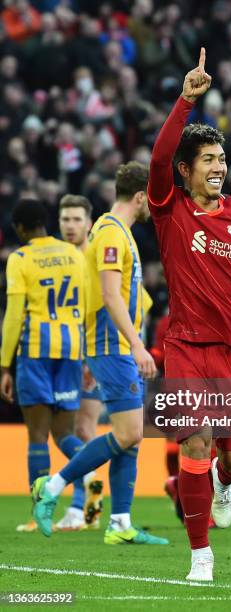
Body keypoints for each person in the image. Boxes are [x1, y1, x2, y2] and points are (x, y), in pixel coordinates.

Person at [148, 48, 231, 580]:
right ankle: (200, 556)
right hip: (186, 344)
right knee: (195, 442)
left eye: (222, 160)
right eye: (208, 160)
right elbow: (159, 159)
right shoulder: (171, 208)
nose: (219, 167)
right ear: (187, 171)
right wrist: (186, 100)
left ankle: (225, 485)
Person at [31, 162, 168, 546]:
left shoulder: (119, 233)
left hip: (117, 344)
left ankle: (120, 522)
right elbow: (109, 295)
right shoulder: (109, 234)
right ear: (141, 196)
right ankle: (52, 486)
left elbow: (128, 296)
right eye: (152, 200)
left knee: (132, 438)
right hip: (111, 344)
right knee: (129, 431)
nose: (153, 207)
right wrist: (138, 344)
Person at [0, 199, 86, 533]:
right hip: (72, 349)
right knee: (65, 433)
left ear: (21, 229)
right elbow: (88, 304)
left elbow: (13, 316)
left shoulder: (20, 258)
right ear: (46, 222)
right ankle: (87, 481)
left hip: (35, 349)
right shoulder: (74, 254)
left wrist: (4, 365)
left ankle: (40, 513)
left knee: (37, 437)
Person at [56, 194, 104, 531]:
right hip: (60, 354)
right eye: (65, 219)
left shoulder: (97, 259)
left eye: (76, 219)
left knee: (83, 429)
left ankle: (80, 508)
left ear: (88, 223)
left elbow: (131, 304)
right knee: (67, 431)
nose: (70, 225)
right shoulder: (56, 260)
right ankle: (88, 493)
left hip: (92, 354)